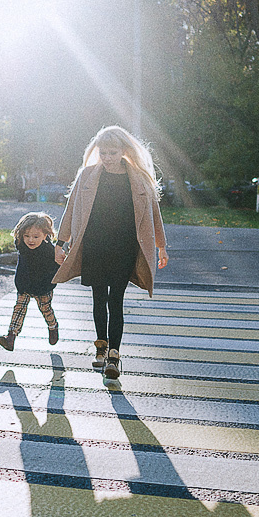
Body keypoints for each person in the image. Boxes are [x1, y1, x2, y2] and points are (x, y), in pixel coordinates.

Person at [52, 126, 167, 379]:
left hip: (124, 247)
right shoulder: (88, 175)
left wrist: (161, 246)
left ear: (124, 151)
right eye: (103, 152)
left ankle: (114, 355)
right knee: (98, 299)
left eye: (112, 152)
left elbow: (153, 213)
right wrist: (61, 243)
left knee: (116, 301)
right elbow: (71, 209)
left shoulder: (138, 178)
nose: (107, 157)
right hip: (94, 246)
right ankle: (101, 348)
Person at [0, 211, 61, 352]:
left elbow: (57, 268)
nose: (30, 240)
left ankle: (53, 326)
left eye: (35, 236)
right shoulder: (22, 245)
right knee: (19, 309)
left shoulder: (50, 251)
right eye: (26, 236)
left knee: (45, 309)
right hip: (24, 284)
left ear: (45, 235)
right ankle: (11, 336)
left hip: (43, 286)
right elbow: (20, 241)